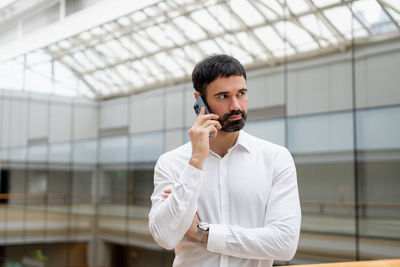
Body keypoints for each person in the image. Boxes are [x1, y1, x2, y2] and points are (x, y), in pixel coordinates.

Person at [148, 54, 301, 267]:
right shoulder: (172, 162)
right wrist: (196, 162)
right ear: (200, 100)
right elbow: (165, 236)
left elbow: (285, 244)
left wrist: (202, 232)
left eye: (242, 93)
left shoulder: (275, 158)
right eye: (223, 96)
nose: (236, 105)